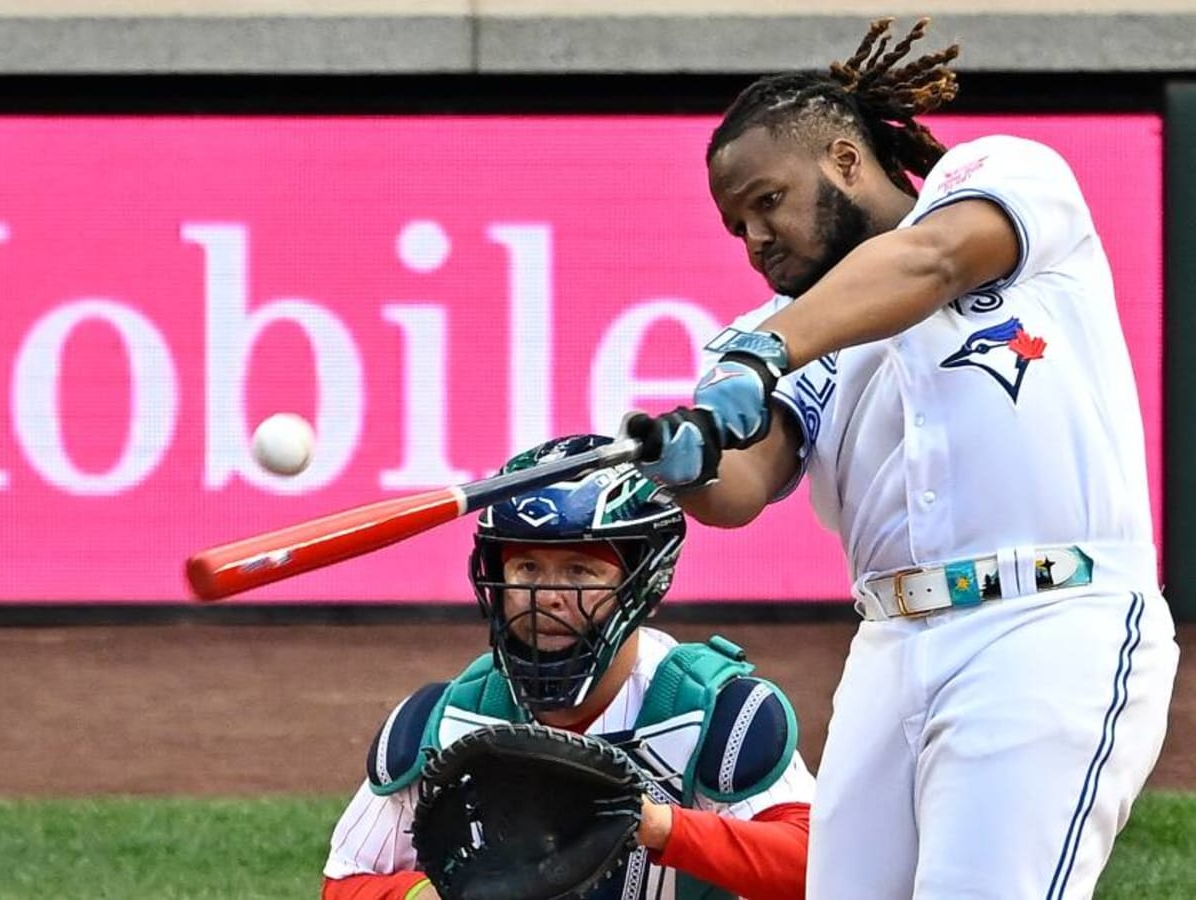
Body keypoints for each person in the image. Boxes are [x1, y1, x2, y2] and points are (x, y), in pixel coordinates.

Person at [620, 17, 1179, 900]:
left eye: (768, 200)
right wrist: (682, 462)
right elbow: (745, 484)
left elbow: (931, 259)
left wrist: (767, 351)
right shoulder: (783, 338)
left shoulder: (999, 177)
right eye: (737, 226)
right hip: (888, 652)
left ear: (845, 159)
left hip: (1046, 621)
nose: (756, 238)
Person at [321, 434, 813, 900]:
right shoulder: (447, 722)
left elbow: (821, 867)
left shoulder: (716, 715)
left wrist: (656, 825)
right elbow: (345, 880)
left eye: (580, 571)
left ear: (644, 585)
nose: (548, 598)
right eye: (527, 569)